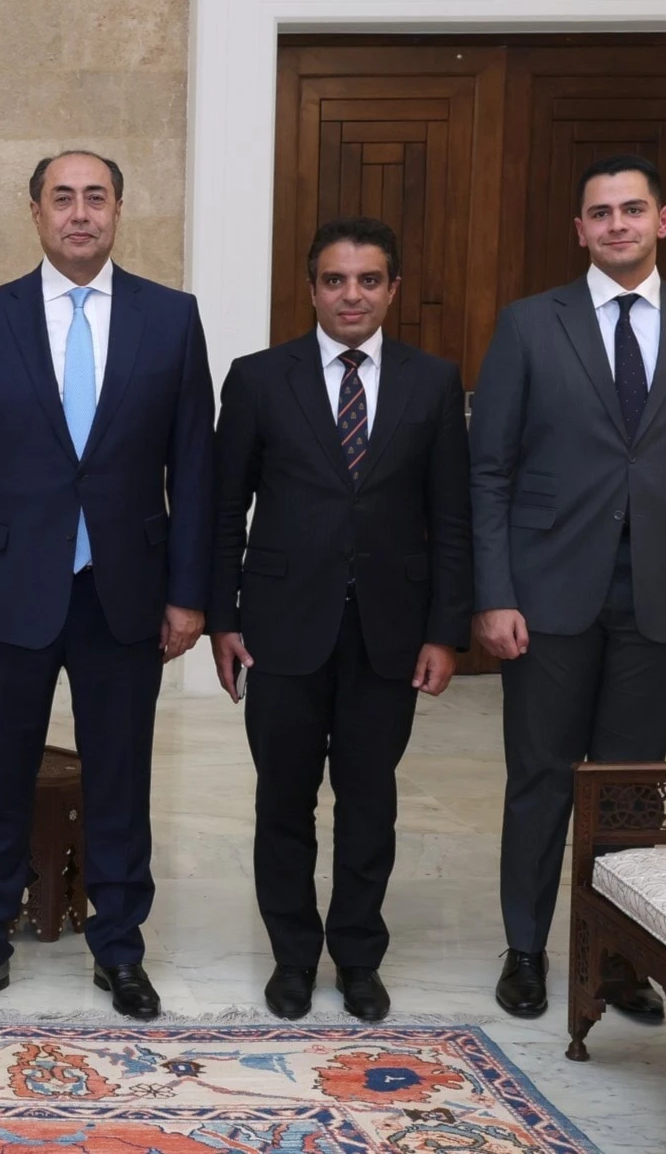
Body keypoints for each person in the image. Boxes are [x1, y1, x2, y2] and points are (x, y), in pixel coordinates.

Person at [472, 154, 666, 1019]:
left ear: (662, 220)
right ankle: (526, 948)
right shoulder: (531, 324)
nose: (617, 225)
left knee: (634, 786)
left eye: (632, 210)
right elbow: (487, 469)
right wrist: (493, 592)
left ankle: (617, 960)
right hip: (547, 591)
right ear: (580, 230)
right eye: (599, 213)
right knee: (542, 777)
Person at [0, 150, 214, 1019]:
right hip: (10, 586)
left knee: (122, 778)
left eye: (96, 198)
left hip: (124, 590)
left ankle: (119, 948)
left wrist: (188, 592)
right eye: (63, 198)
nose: (80, 213)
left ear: (120, 211)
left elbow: (193, 467)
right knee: (0, 776)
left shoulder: (171, 319)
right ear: (35, 211)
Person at [207, 217, 472, 1022]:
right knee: (282, 800)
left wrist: (444, 630)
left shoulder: (433, 382)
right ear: (312, 288)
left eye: (367, 281)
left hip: (389, 632)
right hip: (281, 628)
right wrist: (223, 619)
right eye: (334, 280)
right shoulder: (258, 379)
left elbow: (452, 518)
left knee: (370, 801)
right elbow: (224, 512)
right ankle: (292, 955)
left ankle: (358, 955)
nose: (350, 295)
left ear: (392, 289)